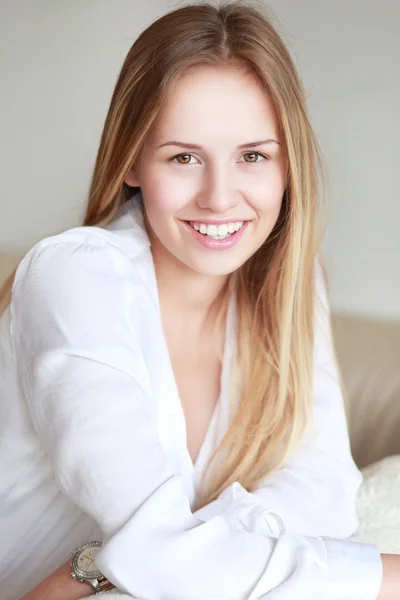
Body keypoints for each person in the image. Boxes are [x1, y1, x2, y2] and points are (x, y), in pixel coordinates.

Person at [0, 1, 399, 599]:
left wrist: (107, 562)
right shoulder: (73, 278)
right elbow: (156, 552)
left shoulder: (290, 278)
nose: (219, 198)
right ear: (133, 159)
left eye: (253, 156)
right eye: (184, 157)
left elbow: (324, 492)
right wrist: (378, 578)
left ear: (288, 165)